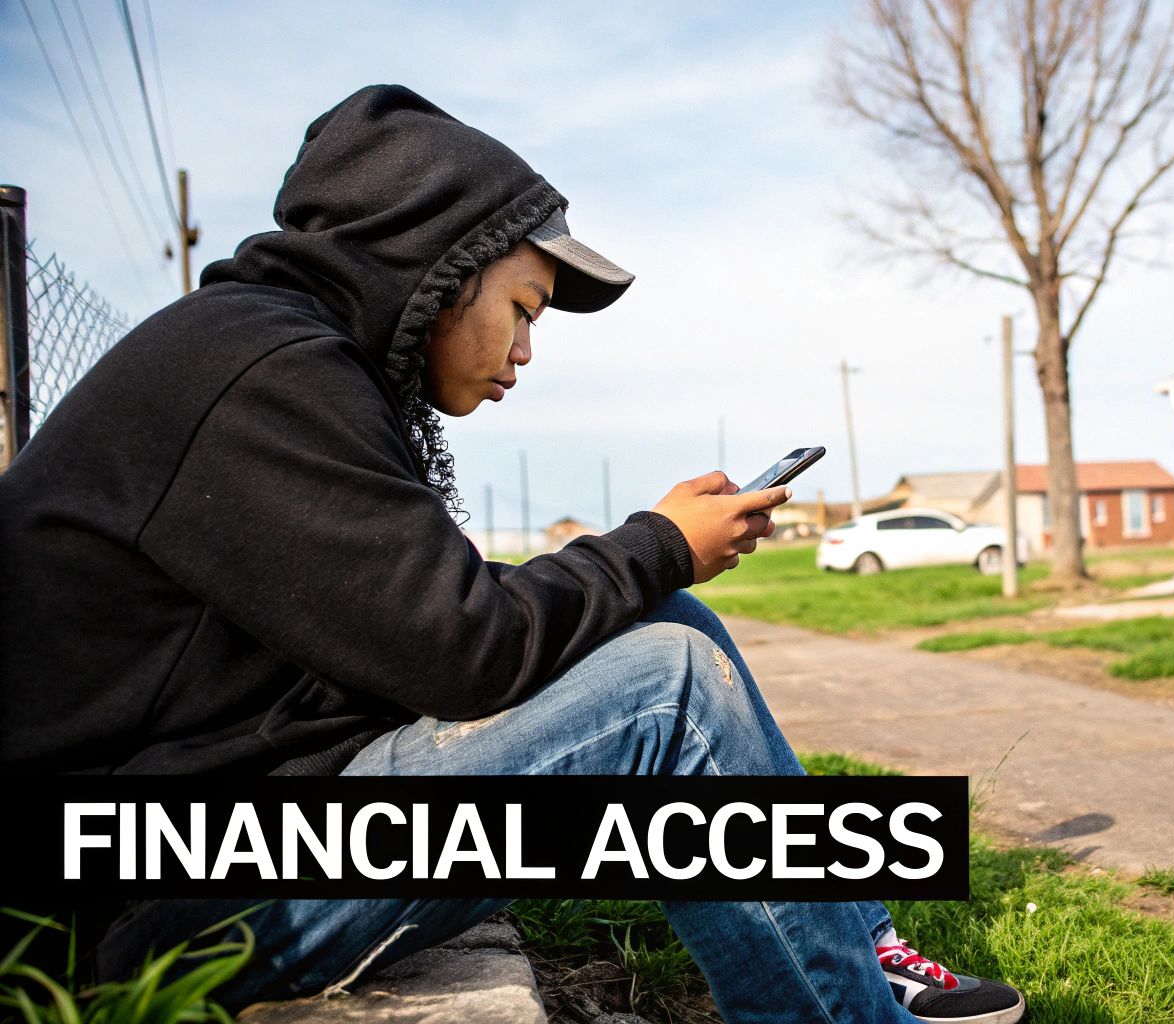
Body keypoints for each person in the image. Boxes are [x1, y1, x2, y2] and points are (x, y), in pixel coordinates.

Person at [0, 85, 1025, 1024]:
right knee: (663, 685)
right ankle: (846, 1004)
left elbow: (415, 620)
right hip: (148, 913)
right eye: (523, 310)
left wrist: (652, 570)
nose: (526, 351)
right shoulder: (264, 374)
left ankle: (848, 942)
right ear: (437, 267)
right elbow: (462, 649)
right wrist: (658, 541)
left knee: (667, 627)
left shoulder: (282, 357)